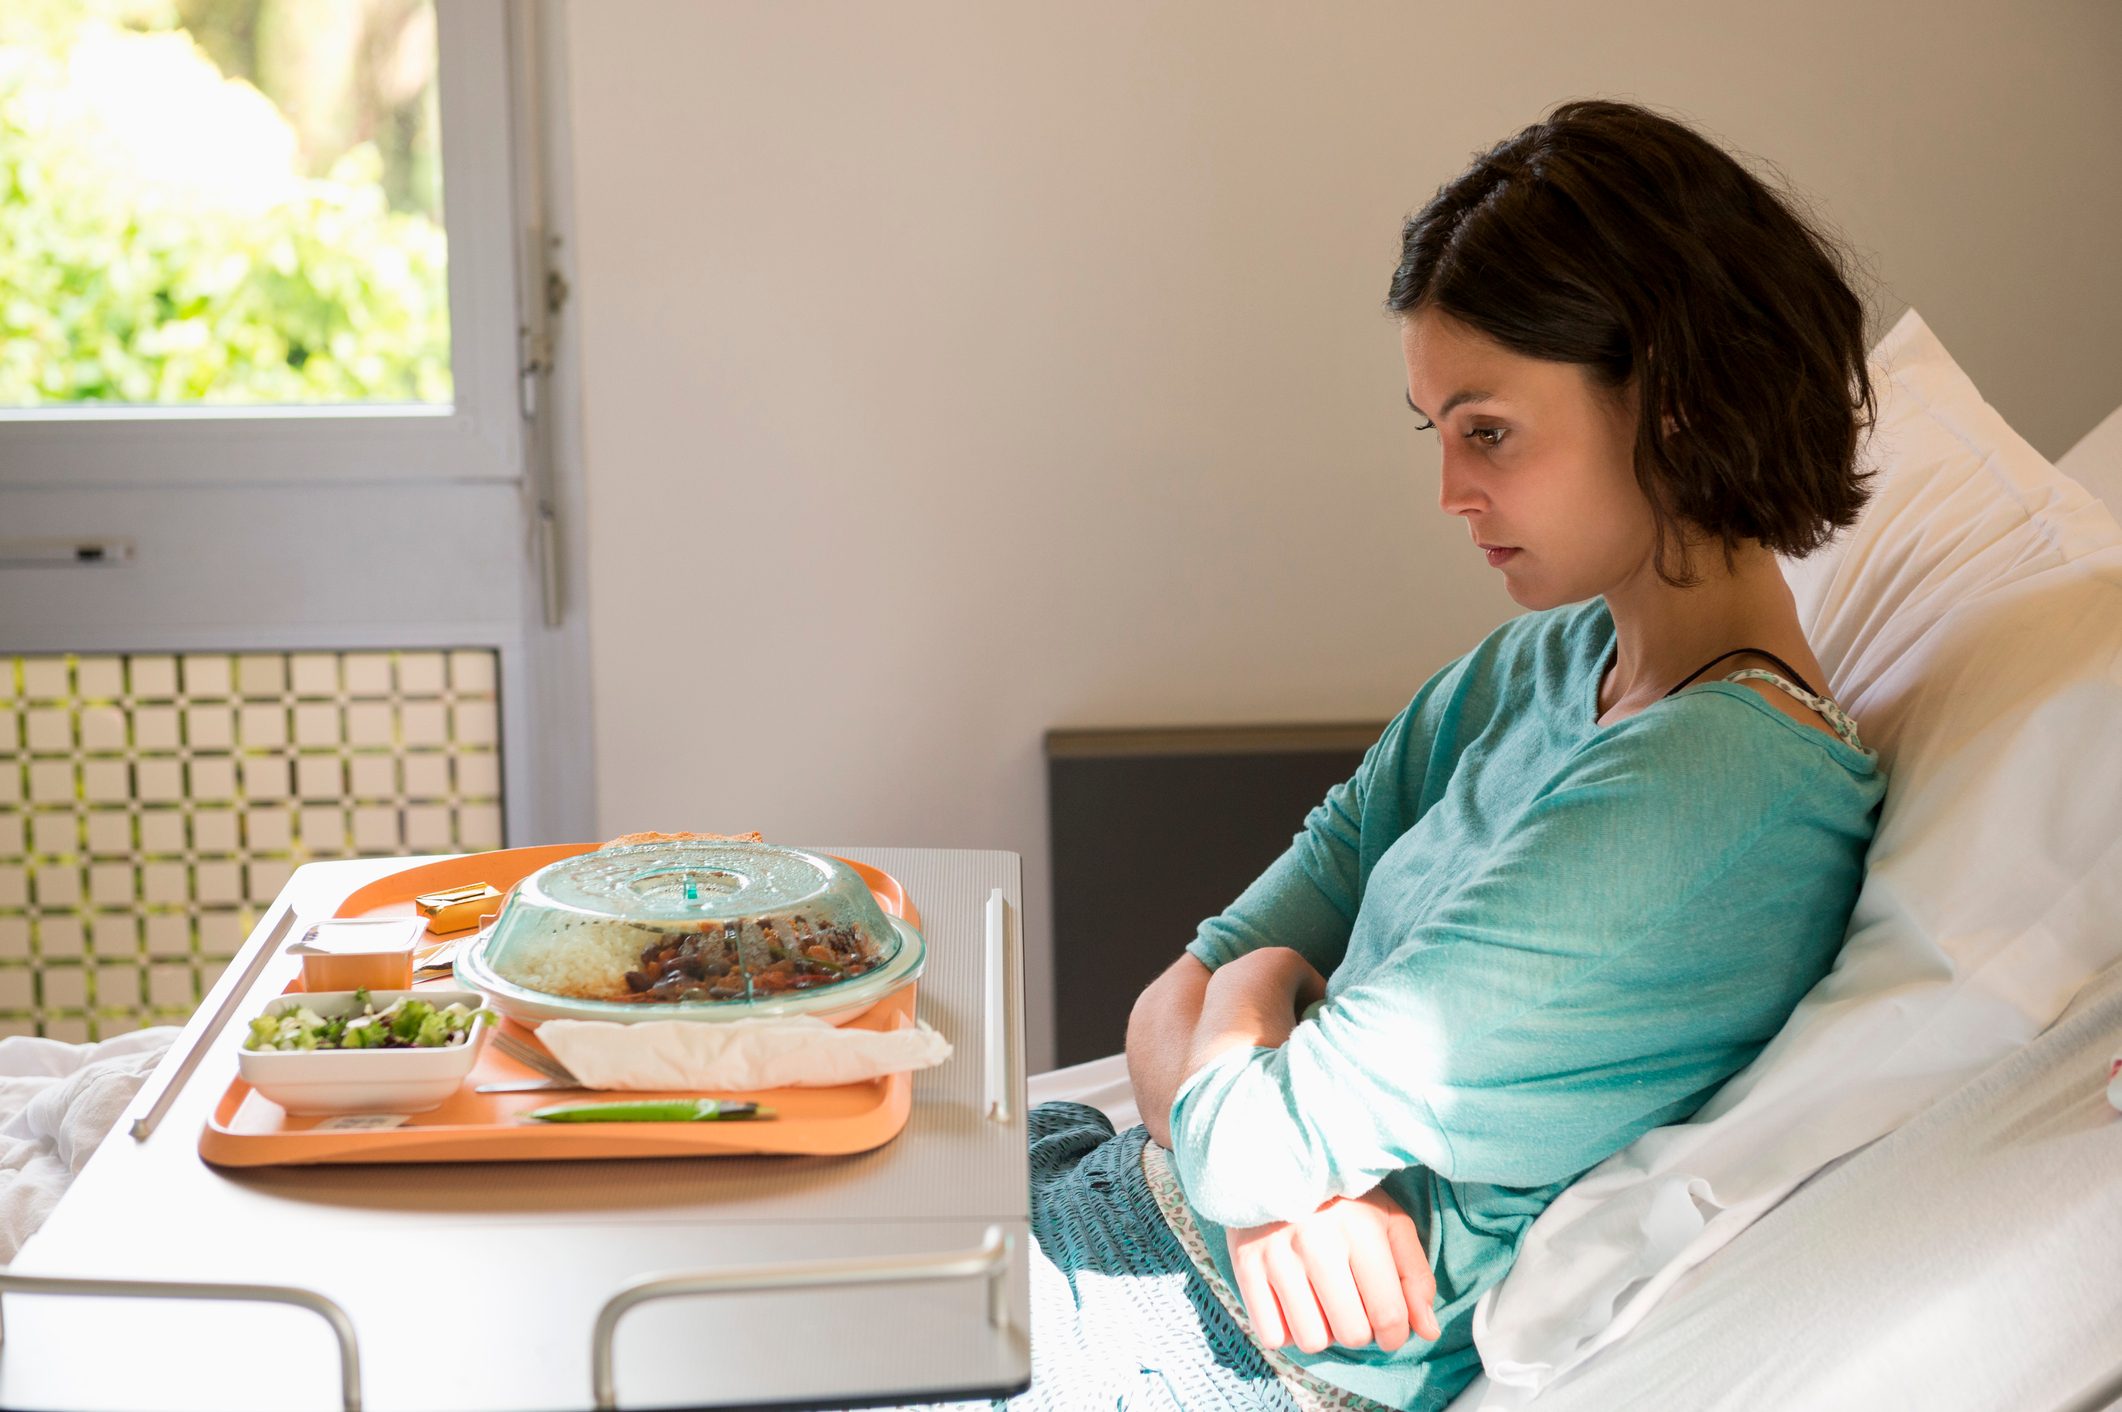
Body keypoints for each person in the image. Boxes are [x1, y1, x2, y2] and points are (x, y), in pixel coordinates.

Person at [897, 98, 1886, 1412]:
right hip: (1119, 1197)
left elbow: (1243, 1088)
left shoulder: (1720, 794)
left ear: (1675, 406)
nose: (1449, 495)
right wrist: (1266, 1178)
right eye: (1439, 434)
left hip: (1217, 1354)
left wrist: (1252, 995)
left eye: (1488, 430)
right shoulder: (1530, 667)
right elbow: (1164, 1011)